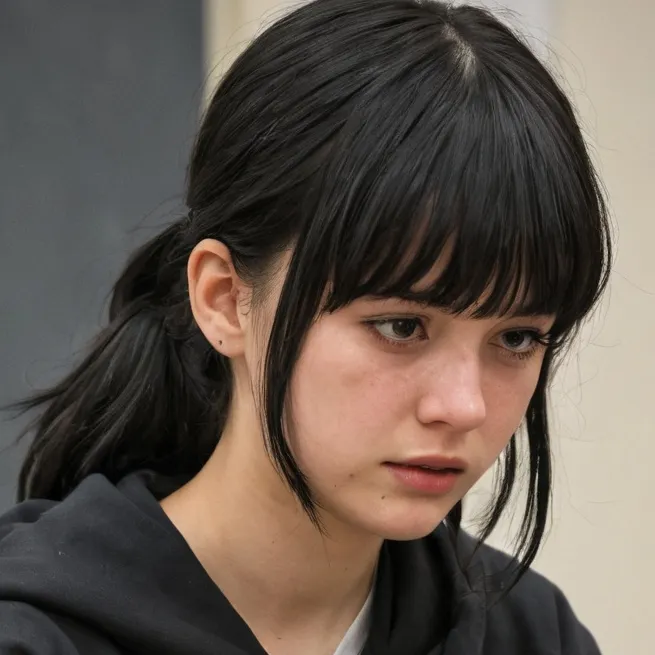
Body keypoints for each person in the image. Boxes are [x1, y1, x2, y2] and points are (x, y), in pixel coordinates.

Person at [0, 1, 611, 653]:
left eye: (516, 338)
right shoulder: (39, 635)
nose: (464, 406)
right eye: (401, 326)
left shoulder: (532, 635)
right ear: (224, 298)